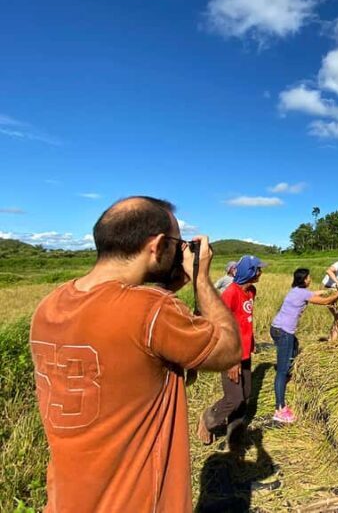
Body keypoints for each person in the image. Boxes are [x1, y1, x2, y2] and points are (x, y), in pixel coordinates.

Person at [29, 196, 241, 512]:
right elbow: (228, 350)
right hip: (138, 502)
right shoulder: (152, 311)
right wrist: (200, 279)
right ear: (156, 246)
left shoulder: (49, 306)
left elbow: (126, 340)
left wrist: (166, 292)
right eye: (176, 243)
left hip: (67, 499)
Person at [198, 255, 266, 445]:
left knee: (245, 395)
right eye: (258, 269)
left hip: (244, 352)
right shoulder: (230, 294)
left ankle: (234, 433)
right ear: (250, 272)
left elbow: (243, 321)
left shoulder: (251, 291)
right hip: (230, 354)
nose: (261, 272)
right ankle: (208, 420)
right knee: (234, 399)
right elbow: (221, 328)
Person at [270, 268, 338, 423]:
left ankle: (288, 375)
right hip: (283, 332)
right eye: (309, 277)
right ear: (304, 280)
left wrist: (328, 291)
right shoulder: (301, 293)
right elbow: (324, 302)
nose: (310, 278)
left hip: (276, 328)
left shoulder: (296, 290)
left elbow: (316, 294)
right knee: (282, 371)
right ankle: (280, 409)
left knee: (294, 346)